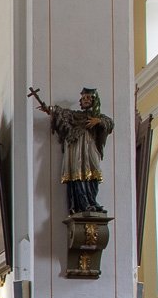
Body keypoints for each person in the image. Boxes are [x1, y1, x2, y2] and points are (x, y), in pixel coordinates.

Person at [31, 86, 113, 214]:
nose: (85, 100)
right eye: (83, 97)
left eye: (88, 97)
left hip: (90, 149)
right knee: (77, 174)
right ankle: (82, 204)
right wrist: (49, 109)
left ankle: (92, 201)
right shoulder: (75, 115)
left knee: (94, 173)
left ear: (94, 100)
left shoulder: (98, 117)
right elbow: (61, 113)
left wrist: (98, 121)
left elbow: (109, 123)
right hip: (75, 149)